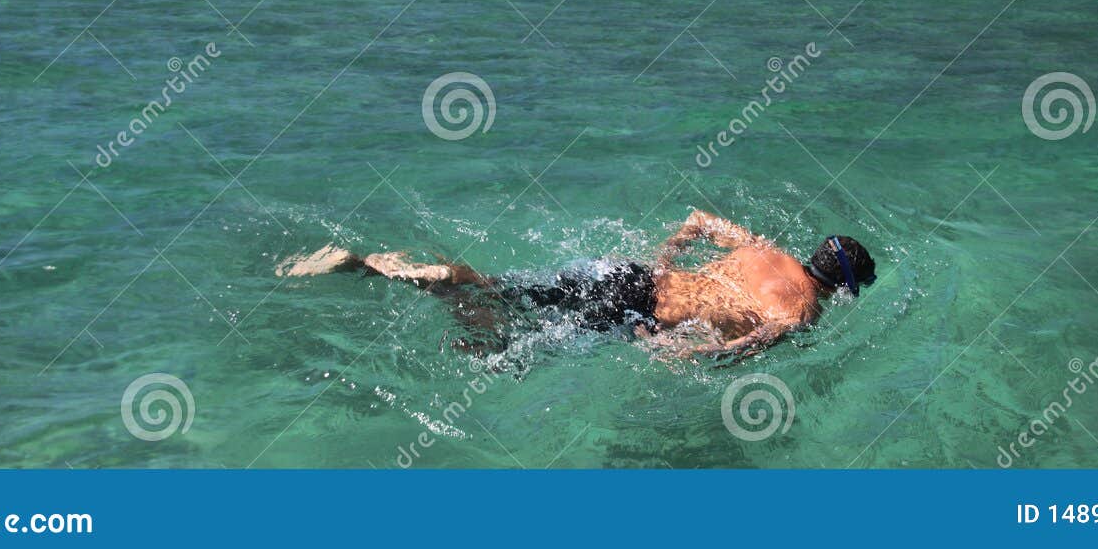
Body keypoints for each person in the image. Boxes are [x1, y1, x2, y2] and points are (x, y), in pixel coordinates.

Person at [277, 209, 876, 358]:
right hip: (637, 312)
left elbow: (696, 219)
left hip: (632, 276)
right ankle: (446, 295)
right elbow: (748, 345)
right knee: (511, 345)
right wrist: (688, 352)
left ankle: (380, 266)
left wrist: (661, 259)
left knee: (506, 293)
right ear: (842, 287)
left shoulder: (760, 249)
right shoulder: (802, 310)